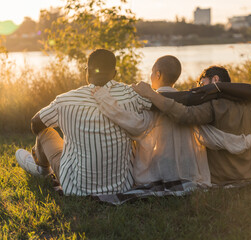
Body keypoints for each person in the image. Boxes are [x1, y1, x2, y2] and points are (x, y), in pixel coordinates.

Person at [92, 55, 251, 186]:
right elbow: (214, 137)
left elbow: (132, 123)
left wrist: (103, 98)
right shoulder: (188, 104)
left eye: (151, 72)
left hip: (156, 174)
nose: (150, 76)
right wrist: (246, 141)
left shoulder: (150, 103)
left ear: (157, 74)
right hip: (188, 173)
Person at [131, 66, 251, 184]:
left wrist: (152, 95)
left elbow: (183, 115)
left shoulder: (213, 106)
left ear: (215, 79)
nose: (199, 88)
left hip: (220, 178)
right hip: (246, 174)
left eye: (202, 83)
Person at [15, 49, 152, 196]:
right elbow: (158, 102)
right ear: (114, 73)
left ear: (87, 72)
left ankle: (42, 169)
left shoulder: (65, 100)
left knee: (45, 132)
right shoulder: (132, 95)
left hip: (76, 187)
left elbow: (35, 123)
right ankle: (44, 163)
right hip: (123, 186)